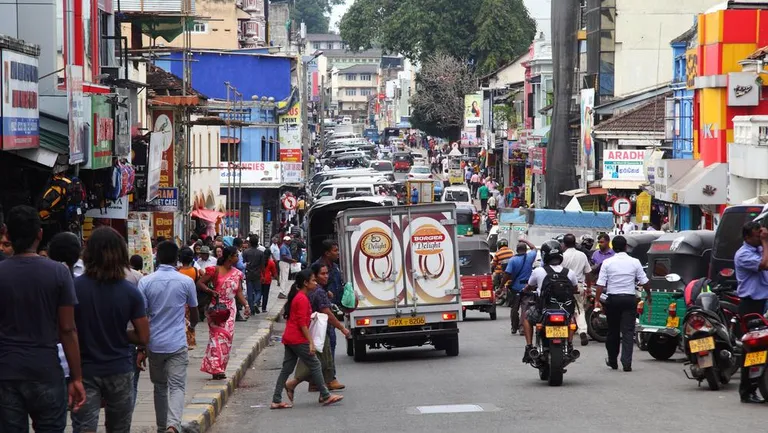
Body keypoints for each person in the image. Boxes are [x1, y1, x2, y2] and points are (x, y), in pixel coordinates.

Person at [0, 206, 86, 429]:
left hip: (7, 372)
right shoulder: (59, 273)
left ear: (7, 234)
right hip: (46, 369)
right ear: (39, 234)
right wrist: (76, 378)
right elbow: (68, 329)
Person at [70, 227, 150, 433]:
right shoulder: (130, 292)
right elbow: (143, 336)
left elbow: (65, 328)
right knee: (119, 428)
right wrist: (118, 332)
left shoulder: (75, 288)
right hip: (120, 369)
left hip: (85, 369)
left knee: (85, 426)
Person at [138, 241, 199, 433]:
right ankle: (173, 425)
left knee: (159, 387)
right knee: (177, 386)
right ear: (177, 259)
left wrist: (141, 347)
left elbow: (141, 315)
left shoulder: (145, 282)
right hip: (177, 342)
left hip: (154, 343)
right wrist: (192, 325)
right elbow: (195, 311)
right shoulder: (186, 281)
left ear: (157, 257)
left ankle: (161, 426)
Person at [270, 270, 344, 409]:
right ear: (305, 283)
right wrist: (310, 342)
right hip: (297, 338)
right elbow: (302, 324)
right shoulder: (302, 299)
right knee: (315, 364)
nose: (315, 283)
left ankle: (276, 399)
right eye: (313, 281)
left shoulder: (300, 297)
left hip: (290, 337)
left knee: (287, 368)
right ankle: (326, 395)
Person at [287, 263, 350, 393]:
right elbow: (326, 312)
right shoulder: (318, 292)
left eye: (327, 273)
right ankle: (320, 385)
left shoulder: (313, 291)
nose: (326, 276)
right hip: (319, 330)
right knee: (321, 361)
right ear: (312, 278)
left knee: (318, 360)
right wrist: (341, 328)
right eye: (322, 274)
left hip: (312, 330)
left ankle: (318, 386)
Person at [594, 235, 650, 372]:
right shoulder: (635, 262)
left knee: (613, 331)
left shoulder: (607, 263)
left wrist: (597, 300)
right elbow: (645, 281)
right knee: (628, 332)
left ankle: (613, 360)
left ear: (613, 247)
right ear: (626, 247)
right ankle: (626, 363)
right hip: (629, 299)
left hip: (613, 300)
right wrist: (649, 294)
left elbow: (600, 284)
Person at [521, 240, 579, 362]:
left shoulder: (538, 271)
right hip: (564, 311)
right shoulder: (569, 273)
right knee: (571, 321)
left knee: (526, 317)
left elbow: (529, 286)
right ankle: (569, 344)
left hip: (544, 311)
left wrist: (525, 289)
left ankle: (529, 346)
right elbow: (575, 289)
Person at [198, 246, 249, 379]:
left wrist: (246, 305)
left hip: (230, 309)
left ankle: (219, 365)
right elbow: (200, 283)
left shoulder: (237, 273)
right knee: (216, 338)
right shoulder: (214, 270)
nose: (238, 258)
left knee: (227, 338)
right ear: (229, 257)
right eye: (236, 255)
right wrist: (210, 291)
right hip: (216, 308)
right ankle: (216, 369)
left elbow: (238, 292)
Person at [734, 222, 768, 403]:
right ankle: (747, 391)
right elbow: (765, 265)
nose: (760, 237)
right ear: (747, 237)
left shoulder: (759, 250)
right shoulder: (743, 254)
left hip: (764, 303)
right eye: (757, 236)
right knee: (753, 349)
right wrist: (765, 242)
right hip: (751, 305)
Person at [560, 234, 593, 346]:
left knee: (563, 309)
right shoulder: (582, 255)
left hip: (563, 286)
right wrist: (588, 287)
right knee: (579, 310)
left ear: (564, 244)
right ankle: (582, 331)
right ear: (575, 243)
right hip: (578, 286)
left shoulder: (562, 256)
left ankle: (564, 331)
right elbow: (588, 273)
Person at [502, 239, 538, 335]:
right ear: (525, 250)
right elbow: (534, 248)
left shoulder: (512, 260)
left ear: (517, 250)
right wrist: (525, 241)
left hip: (515, 288)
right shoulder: (530, 257)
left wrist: (501, 286)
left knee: (514, 308)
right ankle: (522, 328)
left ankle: (514, 327)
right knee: (525, 308)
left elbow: (507, 274)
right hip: (527, 287)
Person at [178, 247, 200, 349]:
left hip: (180, 301)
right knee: (190, 321)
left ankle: (181, 341)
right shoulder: (195, 271)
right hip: (190, 300)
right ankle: (189, 341)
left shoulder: (178, 271)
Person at [243, 234, 265, 314]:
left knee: (249, 292)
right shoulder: (260, 253)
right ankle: (256, 302)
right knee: (258, 291)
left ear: (250, 243)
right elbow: (262, 266)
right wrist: (263, 275)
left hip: (248, 274)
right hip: (257, 274)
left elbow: (243, 263)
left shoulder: (245, 252)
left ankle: (252, 309)